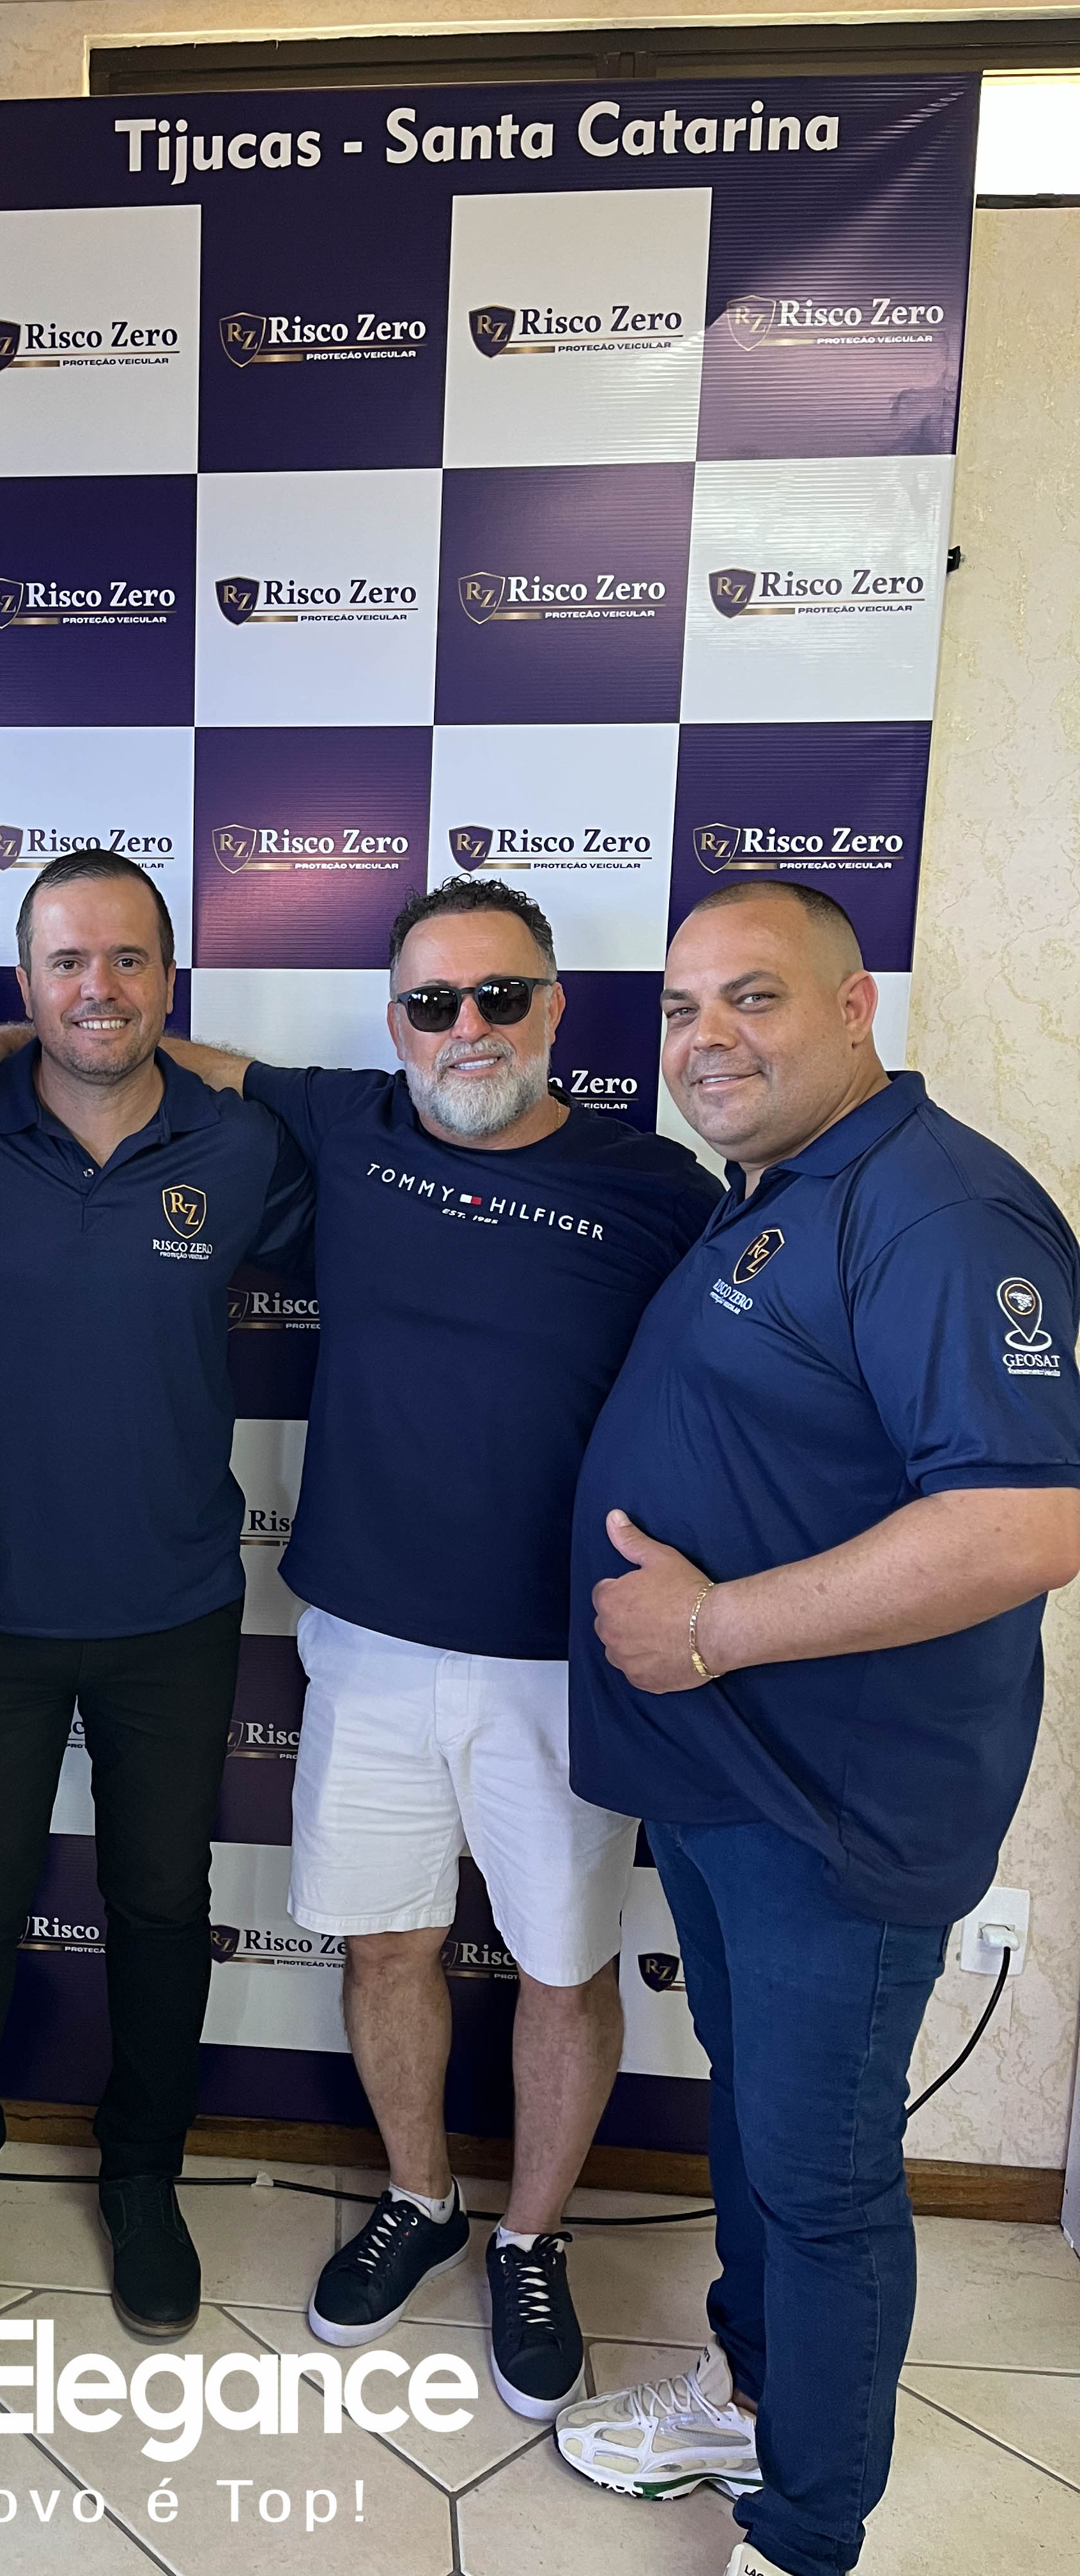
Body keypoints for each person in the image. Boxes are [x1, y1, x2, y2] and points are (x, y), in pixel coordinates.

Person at [0, 875, 720, 2412]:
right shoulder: (343, 1124)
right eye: (433, 1001)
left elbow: (742, 1384)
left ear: (556, 1008)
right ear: (395, 1023)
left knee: (556, 1964)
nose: (468, 1026)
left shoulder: (658, 1187)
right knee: (375, 1942)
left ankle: (519, 2239)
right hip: (330, 1636)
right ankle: (408, 2199)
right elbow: (129, 1047)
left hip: (545, 1656)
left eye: (500, 996)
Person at [554, 882, 1080, 2576]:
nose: (708, 1039)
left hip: (835, 1814)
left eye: (755, 998)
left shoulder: (938, 1209)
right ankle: (753, 2394)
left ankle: (806, 2530)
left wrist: (709, 1627)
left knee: (825, 2179)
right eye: (683, 1008)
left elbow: (1025, 1519)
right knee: (765, 2129)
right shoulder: (783, 1187)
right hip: (734, 1786)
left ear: (857, 1010)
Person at [0, 848, 311, 2345]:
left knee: (158, 1904)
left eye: (127, 959)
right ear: (26, 982)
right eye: (66, 963)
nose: (98, 988)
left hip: (174, 1603)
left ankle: (144, 2175)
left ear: (169, 977)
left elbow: (391, 1182)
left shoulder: (242, 1142)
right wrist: (5, 1048)